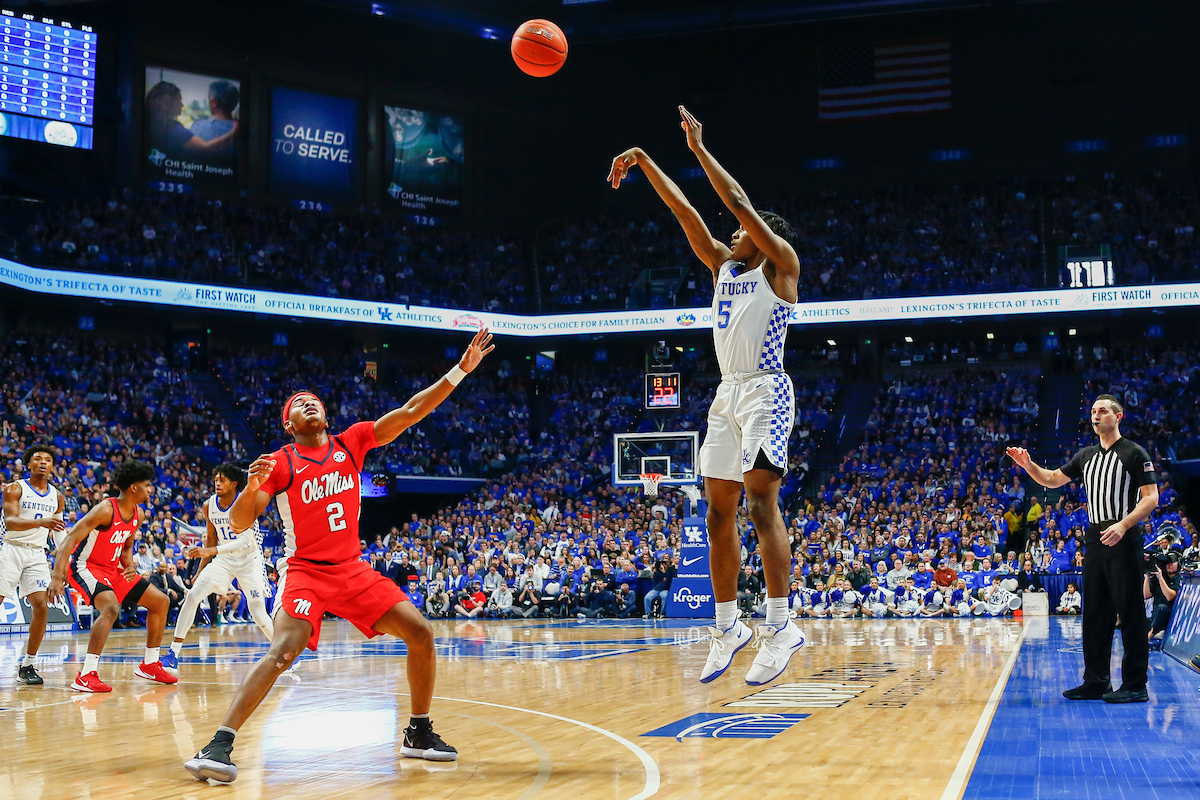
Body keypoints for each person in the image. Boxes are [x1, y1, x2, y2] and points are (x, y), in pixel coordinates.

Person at [184, 328, 493, 782]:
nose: (308, 405)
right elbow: (244, 522)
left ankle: (418, 733)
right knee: (283, 650)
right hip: (305, 571)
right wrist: (250, 486)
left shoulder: (353, 442)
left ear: (325, 414)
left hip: (353, 569)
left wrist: (459, 371)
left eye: (313, 401)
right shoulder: (281, 462)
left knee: (421, 633)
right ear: (289, 425)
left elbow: (410, 412)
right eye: (297, 406)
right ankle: (219, 743)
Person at [609, 105, 803, 685]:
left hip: (766, 390)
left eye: (745, 228)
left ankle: (780, 623)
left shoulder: (782, 266)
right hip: (726, 396)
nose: (734, 230)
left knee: (761, 505)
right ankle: (728, 625)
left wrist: (697, 148)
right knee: (718, 513)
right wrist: (644, 159)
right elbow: (685, 211)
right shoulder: (723, 264)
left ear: (763, 236)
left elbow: (737, 202)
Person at [1007, 394, 1159, 704]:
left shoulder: (1133, 453)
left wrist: (1124, 525)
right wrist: (1028, 465)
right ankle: (1096, 681)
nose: (1096, 415)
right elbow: (1051, 480)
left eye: (1102, 411)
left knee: (1129, 612)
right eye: (1093, 411)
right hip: (1095, 537)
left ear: (1118, 416)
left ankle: (1135, 684)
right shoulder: (1086, 455)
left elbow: (1151, 497)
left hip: (1124, 535)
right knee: (1096, 614)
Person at [48, 461, 177, 692]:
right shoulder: (106, 509)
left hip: (113, 569)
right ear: (134, 488)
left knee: (161, 601)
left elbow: (127, 543)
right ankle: (86, 674)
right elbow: (69, 540)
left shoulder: (139, 512)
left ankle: (150, 663)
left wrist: (129, 566)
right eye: (147, 485)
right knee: (110, 608)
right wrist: (57, 576)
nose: (151, 490)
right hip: (85, 565)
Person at [164, 465, 274, 675]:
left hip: (249, 561)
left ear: (234, 483)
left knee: (258, 613)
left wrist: (211, 550)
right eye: (216, 479)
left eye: (222, 480)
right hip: (224, 560)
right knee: (193, 596)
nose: (217, 483)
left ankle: (284, 654)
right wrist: (199, 571)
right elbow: (212, 538)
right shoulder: (208, 506)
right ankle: (173, 654)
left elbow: (245, 541)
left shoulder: (245, 501)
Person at [0, 445, 66, 685]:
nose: (42, 462)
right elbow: (12, 522)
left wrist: (61, 571)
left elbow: (60, 538)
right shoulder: (15, 488)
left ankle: (27, 665)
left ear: (52, 466)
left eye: (47, 459)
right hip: (9, 548)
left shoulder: (57, 496)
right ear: (28, 464)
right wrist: (44, 521)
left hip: (37, 554)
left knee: (41, 606)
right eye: (37, 458)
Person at [1144, 555, 1180, 642]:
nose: (1169, 565)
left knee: (1162, 608)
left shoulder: (1179, 578)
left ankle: (1149, 636)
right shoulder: (1158, 577)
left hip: (1170, 616)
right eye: (1167, 563)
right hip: (1155, 616)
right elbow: (1146, 595)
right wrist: (1147, 577)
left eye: (1172, 562)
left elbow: (1170, 597)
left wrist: (1161, 578)